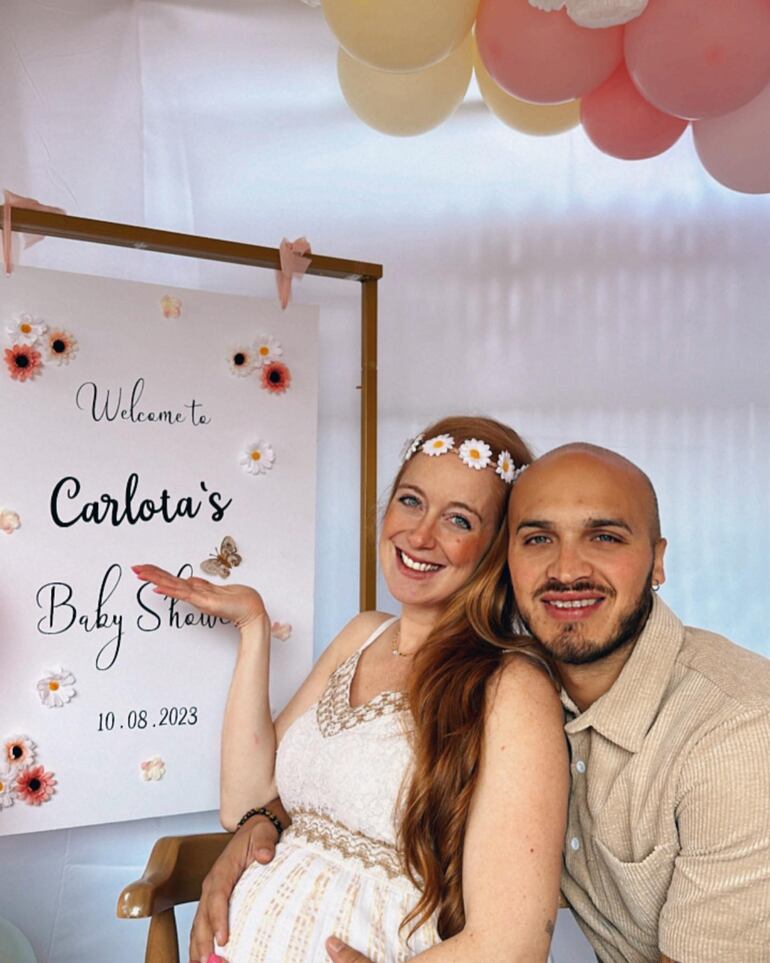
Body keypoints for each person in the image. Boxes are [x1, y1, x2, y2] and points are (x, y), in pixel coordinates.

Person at [204, 441, 770, 963]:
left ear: (658, 559)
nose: (567, 569)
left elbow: (511, 941)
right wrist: (265, 823)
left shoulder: (736, 735)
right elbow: (354, 788)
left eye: (605, 536)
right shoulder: (527, 678)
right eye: (539, 538)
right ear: (511, 559)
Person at [133, 416, 569, 963]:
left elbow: (514, 945)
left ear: (496, 549)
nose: (419, 535)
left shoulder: (511, 687)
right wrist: (252, 627)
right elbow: (243, 802)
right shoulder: (364, 634)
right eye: (411, 501)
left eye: (458, 519)